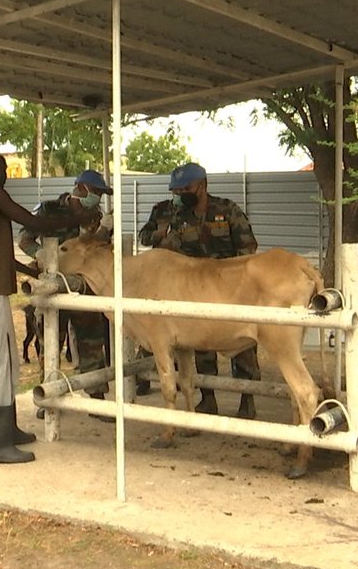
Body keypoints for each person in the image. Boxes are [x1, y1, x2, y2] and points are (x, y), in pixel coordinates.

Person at [0, 150, 99, 464]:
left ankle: (7, 430)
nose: (7, 172)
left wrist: (30, 271)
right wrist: (77, 219)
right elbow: (33, 221)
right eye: (4, 167)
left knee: (7, 361)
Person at [137, 162, 261, 418]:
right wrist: (163, 233)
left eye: (186, 188)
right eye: (176, 190)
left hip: (231, 289)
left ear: (202, 186)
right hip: (194, 292)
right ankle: (208, 399)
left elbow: (248, 249)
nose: (181, 194)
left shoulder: (227, 210)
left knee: (244, 345)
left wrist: (228, 276)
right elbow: (159, 250)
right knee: (203, 347)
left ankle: (247, 401)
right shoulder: (172, 215)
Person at [19, 170, 114, 420]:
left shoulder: (96, 216)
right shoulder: (49, 210)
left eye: (101, 195)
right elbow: (24, 239)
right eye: (96, 193)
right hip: (52, 286)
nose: (98, 199)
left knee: (92, 342)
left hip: (84, 287)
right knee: (49, 341)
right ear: (81, 189)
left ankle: (96, 399)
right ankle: (48, 399)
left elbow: (98, 248)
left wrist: (104, 232)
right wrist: (41, 255)